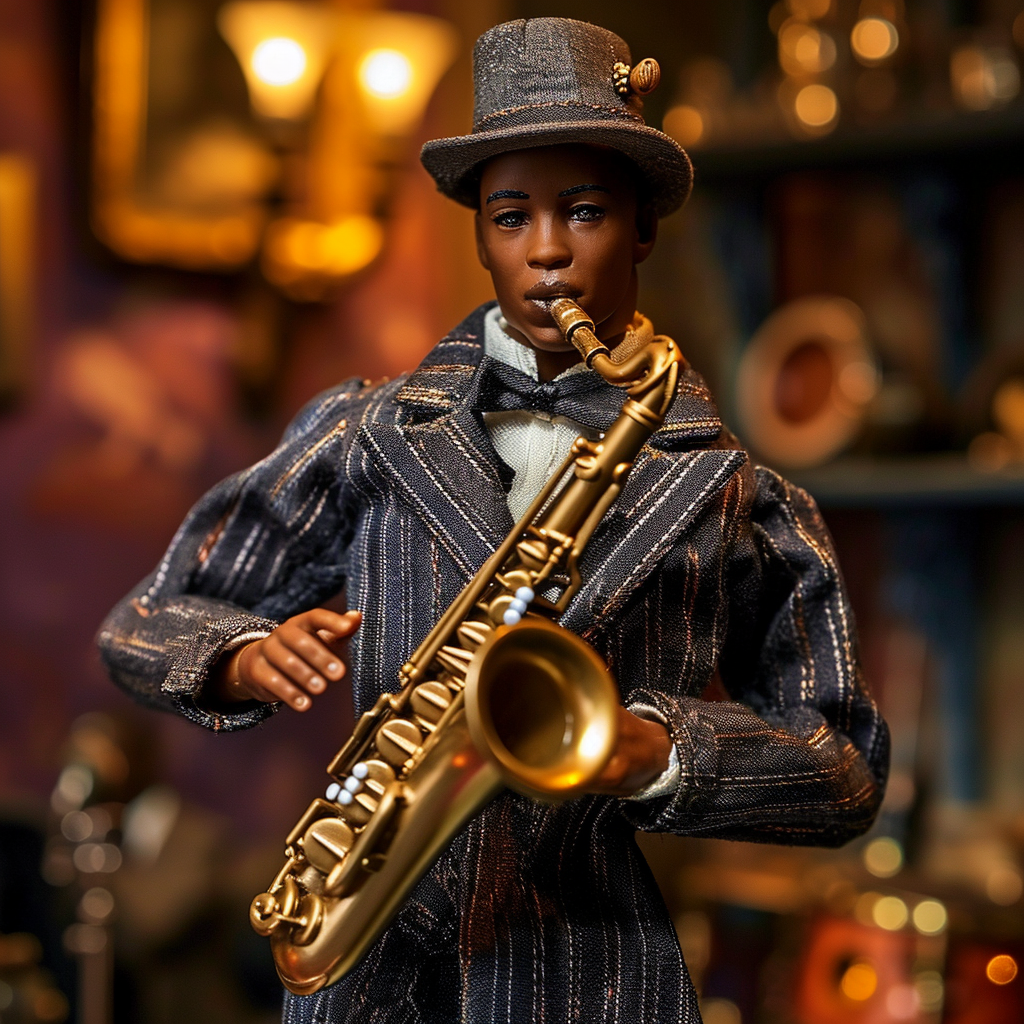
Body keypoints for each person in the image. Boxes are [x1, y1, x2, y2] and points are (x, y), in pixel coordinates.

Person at [99, 18, 889, 1024]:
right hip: (368, 951)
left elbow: (844, 766)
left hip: (593, 968)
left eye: (587, 211)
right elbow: (146, 619)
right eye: (511, 217)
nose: (548, 252)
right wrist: (245, 652)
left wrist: (650, 750)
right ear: (476, 231)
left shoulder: (737, 493)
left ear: (643, 227)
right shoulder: (366, 430)